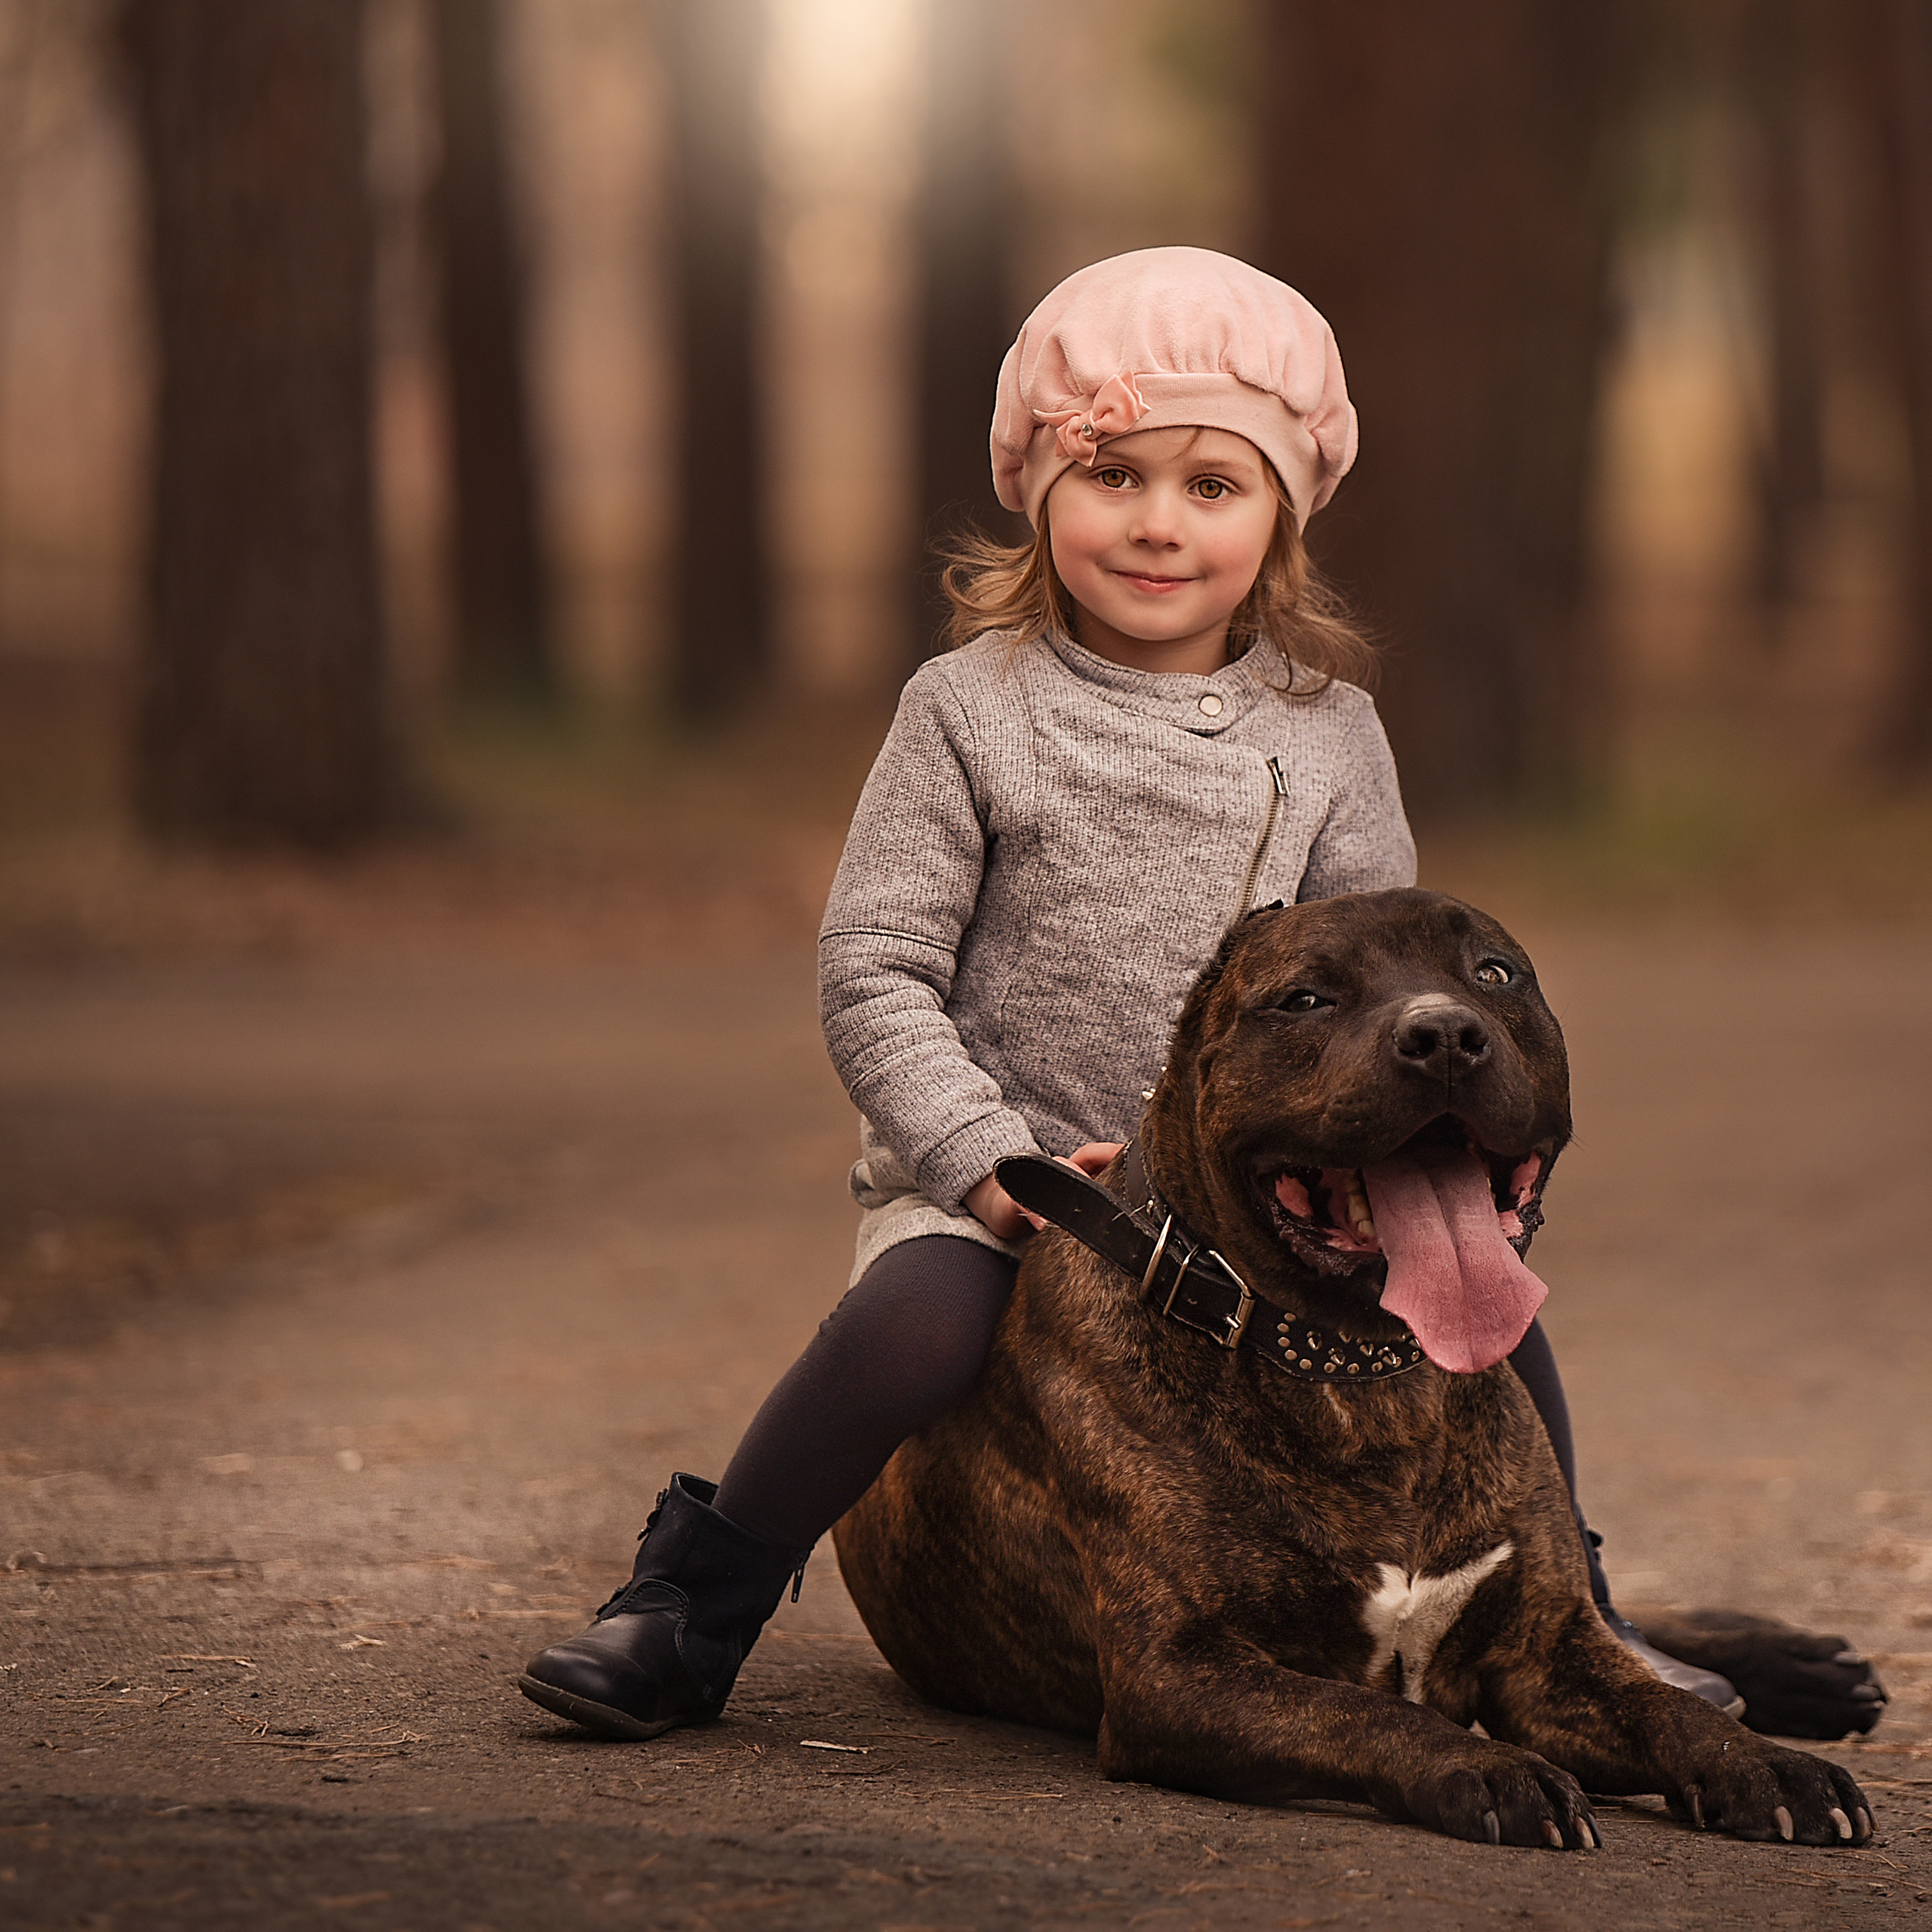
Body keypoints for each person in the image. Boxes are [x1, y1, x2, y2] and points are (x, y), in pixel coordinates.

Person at [519, 245, 1737, 1741]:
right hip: (1017, 1179)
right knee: (906, 1324)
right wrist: (980, 1156)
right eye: (1113, 475)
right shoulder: (965, 713)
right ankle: (685, 1607)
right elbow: (874, 965)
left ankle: (1581, 1619)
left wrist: (1394, 1155)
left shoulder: (1331, 732)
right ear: (1039, 489)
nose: (1156, 522)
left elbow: (1386, 980)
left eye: (1211, 485)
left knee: (1482, 1308)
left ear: (1278, 514)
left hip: (1259, 1185)